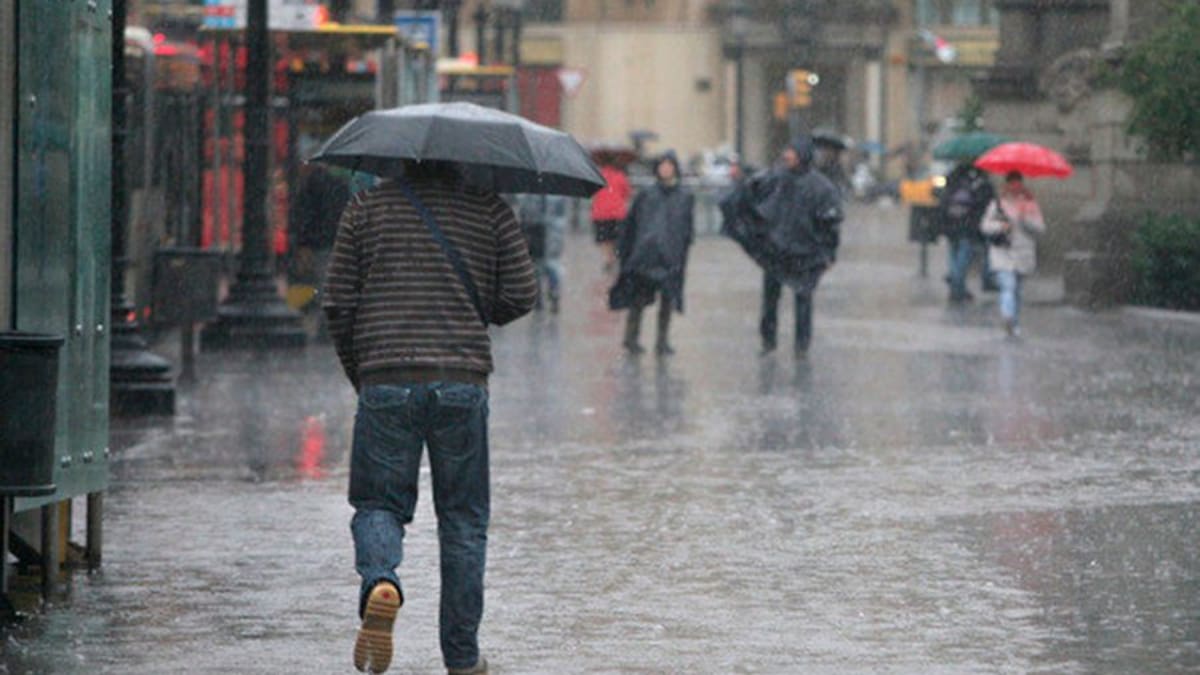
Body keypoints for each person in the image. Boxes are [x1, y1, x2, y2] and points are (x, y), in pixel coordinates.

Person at [322, 160, 538, 675]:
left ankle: (381, 581)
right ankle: (462, 658)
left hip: (385, 375)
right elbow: (522, 294)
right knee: (463, 520)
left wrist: (362, 371)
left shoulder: (365, 208)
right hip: (461, 378)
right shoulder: (490, 209)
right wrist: (472, 303)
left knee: (379, 503)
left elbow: (337, 302)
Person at [758, 137, 844, 356]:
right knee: (770, 300)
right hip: (775, 251)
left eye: (792, 153)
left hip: (805, 253)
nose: (787, 156)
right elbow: (760, 207)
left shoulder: (820, 187)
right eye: (786, 152)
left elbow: (830, 223)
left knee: (803, 300)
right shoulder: (776, 180)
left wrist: (829, 253)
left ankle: (801, 345)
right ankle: (768, 341)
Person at [608, 151, 694, 355]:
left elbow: (686, 227)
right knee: (638, 299)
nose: (666, 169)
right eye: (662, 165)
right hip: (645, 255)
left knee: (667, 300)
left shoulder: (684, 196)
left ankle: (662, 341)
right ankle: (631, 339)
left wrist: (681, 249)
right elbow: (632, 224)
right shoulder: (647, 194)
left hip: (670, 256)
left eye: (669, 165)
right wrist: (628, 250)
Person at [979, 171, 1045, 338]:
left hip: (1023, 253)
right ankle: (1007, 316)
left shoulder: (1030, 204)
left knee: (1017, 290)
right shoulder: (997, 204)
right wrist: (1001, 226)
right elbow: (985, 226)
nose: (1015, 187)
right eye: (1012, 184)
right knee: (1008, 286)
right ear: (1007, 185)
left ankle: (1014, 323)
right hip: (1003, 252)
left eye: (1017, 184)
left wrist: (1024, 220)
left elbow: (1040, 228)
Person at [938, 162, 995, 303]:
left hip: (951, 226)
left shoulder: (952, 182)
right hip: (966, 227)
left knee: (954, 256)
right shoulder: (976, 184)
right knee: (963, 258)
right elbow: (982, 205)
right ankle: (957, 288)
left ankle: (958, 286)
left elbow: (942, 202)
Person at [510, 192, 569, 313]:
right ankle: (552, 295)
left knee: (538, 266)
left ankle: (541, 298)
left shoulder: (528, 193)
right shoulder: (558, 194)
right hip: (550, 233)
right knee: (550, 265)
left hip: (537, 232)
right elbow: (561, 216)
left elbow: (524, 214)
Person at [591, 161, 632, 272]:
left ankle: (607, 258)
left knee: (604, 239)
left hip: (600, 213)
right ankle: (613, 257)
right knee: (615, 238)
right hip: (617, 213)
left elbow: (592, 192)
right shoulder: (620, 176)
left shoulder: (597, 176)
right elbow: (627, 193)